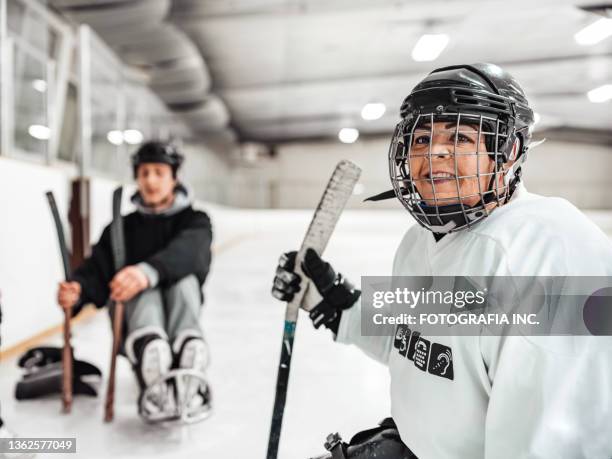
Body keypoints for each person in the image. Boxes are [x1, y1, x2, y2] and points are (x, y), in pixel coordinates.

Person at [272, 63, 612, 458]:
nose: (434, 154)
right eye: (420, 139)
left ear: (509, 151)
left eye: (461, 137)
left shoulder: (545, 255)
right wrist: (335, 303)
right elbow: (424, 346)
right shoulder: (422, 241)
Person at [57, 141, 213, 421]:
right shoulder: (121, 229)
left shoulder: (195, 221)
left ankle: (188, 348)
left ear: (174, 178)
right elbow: (97, 269)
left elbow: (193, 252)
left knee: (182, 280)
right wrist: (78, 290)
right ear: (137, 178)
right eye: (144, 173)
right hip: (135, 321)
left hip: (180, 314)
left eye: (159, 172)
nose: (151, 180)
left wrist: (147, 272)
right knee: (137, 289)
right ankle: (150, 352)